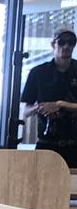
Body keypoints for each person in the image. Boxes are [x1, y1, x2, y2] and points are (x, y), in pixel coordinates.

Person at [22, 29, 77, 168]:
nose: (66, 46)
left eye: (71, 42)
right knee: (39, 186)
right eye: (62, 42)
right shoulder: (38, 72)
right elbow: (26, 111)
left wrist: (61, 104)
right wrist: (42, 107)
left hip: (74, 143)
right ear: (53, 44)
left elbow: (61, 105)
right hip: (46, 145)